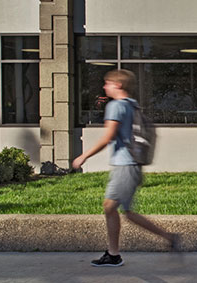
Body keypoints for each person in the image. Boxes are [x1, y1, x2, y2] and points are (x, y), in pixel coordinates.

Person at [71, 69, 178, 267]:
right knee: (123, 211)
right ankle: (166, 238)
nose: (104, 87)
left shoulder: (116, 106)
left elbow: (108, 136)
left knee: (111, 207)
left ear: (118, 85)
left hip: (125, 164)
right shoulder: (132, 105)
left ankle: (115, 254)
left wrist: (84, 156)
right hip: (131, 164)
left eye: (107, 83)